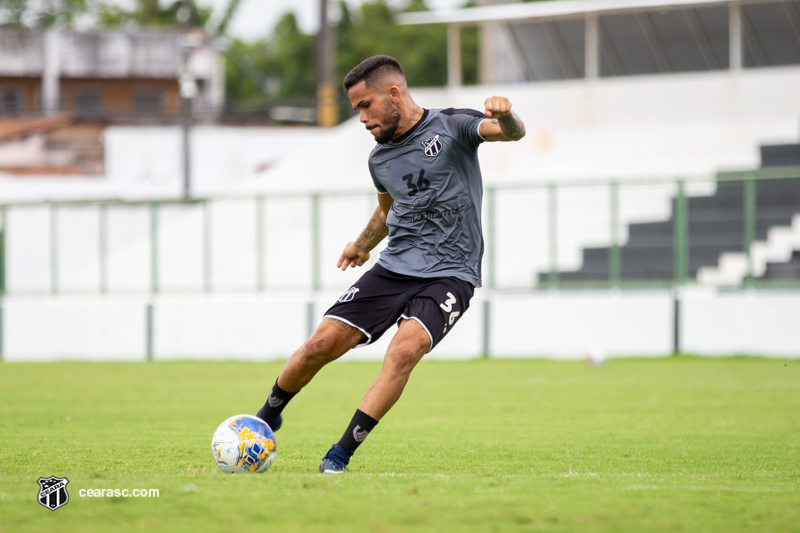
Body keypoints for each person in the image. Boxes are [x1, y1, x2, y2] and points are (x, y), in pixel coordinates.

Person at [256, 55, 526, 473]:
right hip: (395, 266)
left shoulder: (452, 125)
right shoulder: (379, 158)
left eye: (365, 105)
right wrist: (361, 245)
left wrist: (507, 116)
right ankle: (266, 416)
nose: (362, 118)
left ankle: (339, 454)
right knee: (318, 346)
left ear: (393, 94)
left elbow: (511, 134)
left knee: (405, 350)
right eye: (356, 109)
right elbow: (388, 209)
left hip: (451, 273)